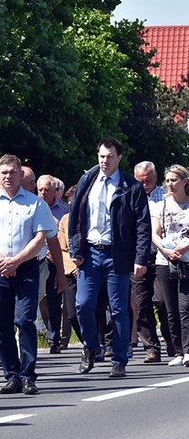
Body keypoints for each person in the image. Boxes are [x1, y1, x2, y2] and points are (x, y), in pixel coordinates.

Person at [0, 154, 57, 395]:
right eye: (3, 172)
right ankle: (12, 375)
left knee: (25, 320)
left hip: (26, 268)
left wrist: (17, 260)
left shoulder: (35, 204)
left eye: (12, 172)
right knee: (1, 324)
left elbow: (41, 238)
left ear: (21, 174)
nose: (8, 176)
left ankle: (29, 375)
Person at [69, 138, 151, 378]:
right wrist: (75, 249)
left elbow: (142, 225)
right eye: (101, 156)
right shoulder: (87, 181)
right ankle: (91, 346)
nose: (104, 161)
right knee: (82, 304)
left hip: (118, 254)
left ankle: (119, 358)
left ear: (119, 158)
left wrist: (140, 258)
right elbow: (75, 218)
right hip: (91, 253)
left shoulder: (131, 187)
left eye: (110, 157)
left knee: (118, 309)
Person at [133, 161, 171, 362]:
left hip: (161, 255)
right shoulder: (130, 196)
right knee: (141, 304)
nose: (144, 185)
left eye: (148, 180)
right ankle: (151, 348)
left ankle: (170, 338)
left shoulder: (166, 196)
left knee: (164, 301)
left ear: (155, 177)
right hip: (138, 257)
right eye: (140, 181)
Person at [151, 165, 189, 367]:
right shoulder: (161, 205)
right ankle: (179, 351)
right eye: (168, 180)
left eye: (174, 180)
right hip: (165, 261)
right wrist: (165, 251)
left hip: (186, 261)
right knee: (169, 308)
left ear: (185, 181)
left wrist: (185, 247)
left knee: (185, 307)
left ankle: (188, 349)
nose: (170, 184)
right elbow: (155, 234)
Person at [37, 174, 70, 353]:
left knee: (55, 300)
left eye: (46, 190)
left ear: (55, 192)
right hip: (38, 260)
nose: (43, 193)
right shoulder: (34, 207)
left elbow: (65, 237)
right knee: (39, 301)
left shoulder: (64, 211)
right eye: (40, 190)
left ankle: (54, 339)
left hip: (55, 262)